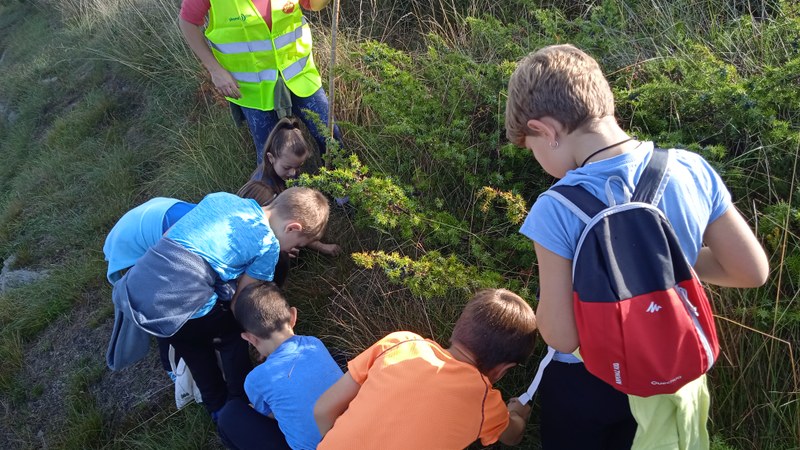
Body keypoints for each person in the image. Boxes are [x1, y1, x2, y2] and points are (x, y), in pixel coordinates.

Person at [505, 44, 769, 449]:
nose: (538, 161)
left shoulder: (556, 207)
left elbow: (561, 336)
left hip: (592, 381)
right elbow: (750, 271)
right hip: (674, 365)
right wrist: (665, 263)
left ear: (546, 130)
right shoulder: (690, 168)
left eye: (533, 149)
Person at [111, 187, 330, 421]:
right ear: (292, 228)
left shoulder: (223, 199)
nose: (290, 250)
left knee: (194, 346)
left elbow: (172, 236)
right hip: (181, 296)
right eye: (298, 243)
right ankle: (241, 406)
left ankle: (217, 409)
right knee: (232, 335)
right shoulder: (268, 245)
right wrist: (262, 340)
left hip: (142, 281)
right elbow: (243, 303)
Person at [313, 288, 538, 449]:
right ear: (502, 370)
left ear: (456, 331)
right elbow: (512, 436)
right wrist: (517, 414)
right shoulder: (484, 401)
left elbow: (323, 410)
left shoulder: (400, 343)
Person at [179, 0, 343, 166]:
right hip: (252, 88)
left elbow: (314, 4)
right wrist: (215, 70)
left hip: (299, 74)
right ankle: (275, 192)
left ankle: (340, 188)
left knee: (331, 138)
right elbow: (187, 22)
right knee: (270, 157)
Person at [216, 282, 343, 450]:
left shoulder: (254, 380)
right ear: (293, 316)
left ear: (249, 338)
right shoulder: (314, 343)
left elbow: (274, 416)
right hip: (352, 434)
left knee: (229, 414)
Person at [240, 116, 341, 256]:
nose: (293, 173)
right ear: (271, 158)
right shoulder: (264, 191)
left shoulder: (284, 174)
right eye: (287, 167)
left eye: (298, 167)